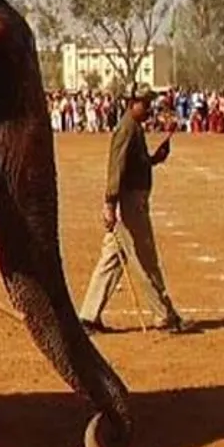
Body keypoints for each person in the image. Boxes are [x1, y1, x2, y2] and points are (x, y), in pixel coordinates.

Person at [77, 84, 197, 335]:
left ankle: (88, 316)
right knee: (145, 258)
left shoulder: (135, 127)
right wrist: (110, 203)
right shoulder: (127, 129)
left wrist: (155, 158)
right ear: (133, 103)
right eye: (145, 103)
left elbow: (133, 165)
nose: (149, 107)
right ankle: (164, 316)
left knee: (112, 258)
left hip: (131, 201)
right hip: (130, 204)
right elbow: (116, 167)